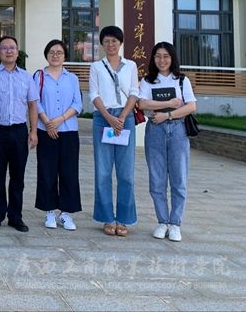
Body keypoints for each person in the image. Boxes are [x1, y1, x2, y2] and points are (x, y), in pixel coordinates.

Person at [138, 42, 196, 242]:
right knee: (157, 178)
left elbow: (191, 106)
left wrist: (167, 115)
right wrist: (169, 104)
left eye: (166, 56)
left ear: (172, 58)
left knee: (179, 179)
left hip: (178, 130)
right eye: (158, 56)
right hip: (155, 131)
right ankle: (162, 221)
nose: (162, 60)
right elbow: (142, 103)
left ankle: (175, 223)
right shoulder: (148, 81)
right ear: (153, 59)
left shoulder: (182, 80)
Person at [0, 35, 38, 233]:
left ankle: (15, 216)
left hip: (19, 131)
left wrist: (33, 131)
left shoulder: (27, 77)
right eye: (4, 48)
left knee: (17, 177)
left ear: (17, 51)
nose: (9, 51)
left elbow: (32, 105)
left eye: (12, 47)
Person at [88, 25, 139, 237]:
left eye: (114, 41)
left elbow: (134, 92)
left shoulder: (131, 65)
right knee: (103, 172)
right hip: (103, 118)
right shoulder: (96, 66)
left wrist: (122, 117)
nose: (110, 44)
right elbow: (94, 94)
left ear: (121, 43)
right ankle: (107, 218)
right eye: (106, 41)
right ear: (102, 44)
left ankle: (124, 219)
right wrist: (109, 118)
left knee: (126, 173)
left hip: (125, 119)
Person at [33, 39, 83, 231]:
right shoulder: (39, 76)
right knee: (47, 172)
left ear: (65, 56)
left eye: (59, 53)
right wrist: (48, 123)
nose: (55, 55)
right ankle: (49, 211)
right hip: (45, 131)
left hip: (68, 131)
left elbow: (78, 104)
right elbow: (35, 102)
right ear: (46, 55)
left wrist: (60, 119)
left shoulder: (72, 78)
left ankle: (66, 213)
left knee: (69, 173)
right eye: (52, 52)